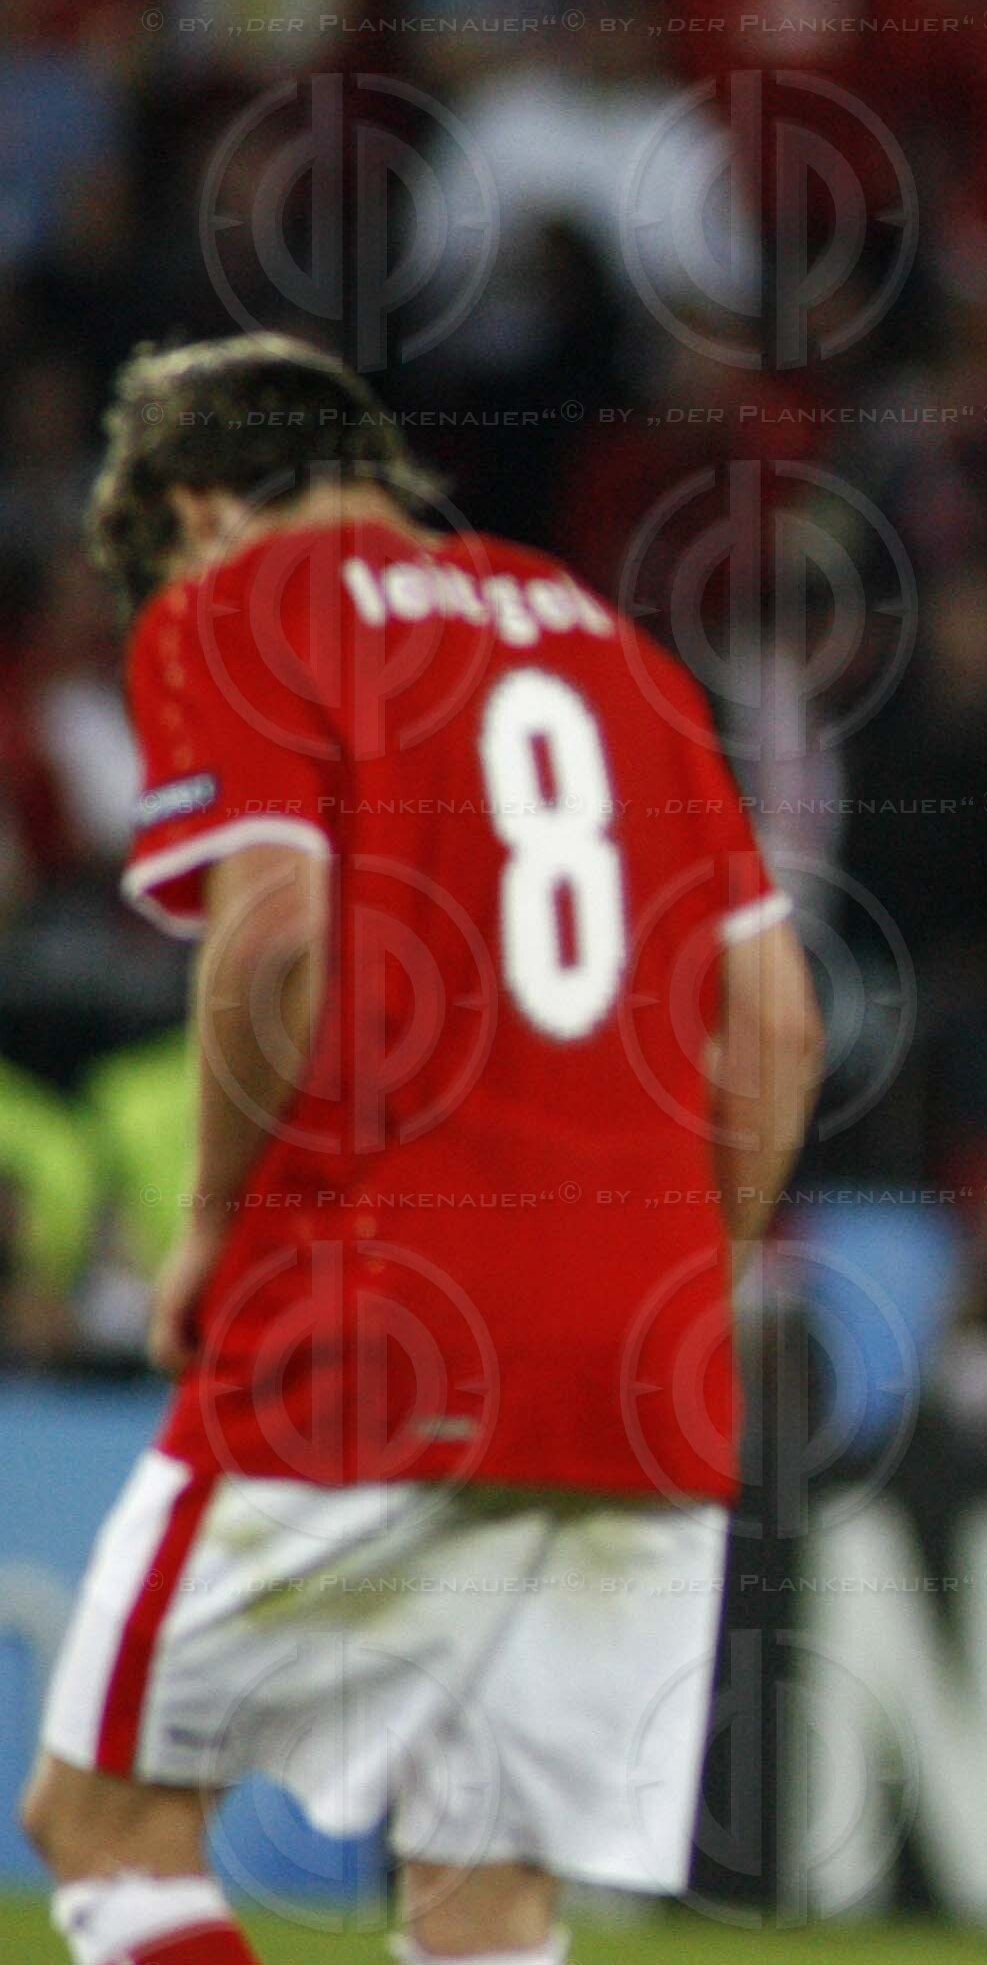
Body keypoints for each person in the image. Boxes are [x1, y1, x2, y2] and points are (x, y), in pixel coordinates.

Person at [19, 335, 823, 1965]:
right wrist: (685, 1271)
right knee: (486, 1901)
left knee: (103, 1821)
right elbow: (778, 1021)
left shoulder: (244, 609)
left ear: (199, 508)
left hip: (371, 1312)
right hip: (639, 1364)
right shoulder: (616, 649)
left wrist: (201, 1227)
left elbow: (268, 939)